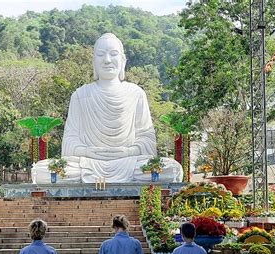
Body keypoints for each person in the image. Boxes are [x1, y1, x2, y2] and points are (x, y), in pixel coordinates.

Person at [31, 33, 183, 183]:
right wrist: (87, 151)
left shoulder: (136, 93)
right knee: (41, 171)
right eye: (101, 55)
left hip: (129, 162)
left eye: (113, 54)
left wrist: (129, 151)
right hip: (87, 164)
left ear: (123, 60)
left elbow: (147, 140)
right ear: (94, 62)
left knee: (172, 168)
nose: (107, 60)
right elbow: (70, 142)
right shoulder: (80, 94)